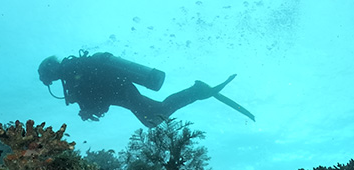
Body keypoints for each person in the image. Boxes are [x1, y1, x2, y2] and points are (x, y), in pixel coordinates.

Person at [38, 52, 253, 127]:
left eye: (45, 77)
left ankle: (196, 91)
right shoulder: (73, 69)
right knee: (155, 114)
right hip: (119, 89)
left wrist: (87, 109)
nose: (48, 81)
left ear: (50, 71)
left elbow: (97, 98)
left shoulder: (71, 72)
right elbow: (97, 96)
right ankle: (196, 92)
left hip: (119, 90)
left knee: (154, 117)